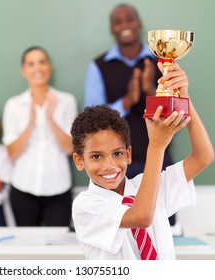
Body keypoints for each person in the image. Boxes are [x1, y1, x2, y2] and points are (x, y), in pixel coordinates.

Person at [71, 62, 214, 259]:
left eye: (118, 154)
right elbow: (141, 217)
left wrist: (184, 97)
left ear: (128, 154)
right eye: (96, 156)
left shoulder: (149, 185)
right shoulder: (85, 206)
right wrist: (156, 145)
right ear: (79, 161)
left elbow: (203, 157)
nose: (109, 165)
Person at [84, 3, 178, 226]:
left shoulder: (163, 63)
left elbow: (175, 115)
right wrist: (127, 100)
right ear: (112, 30)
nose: (125, 25)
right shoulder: (99, 66)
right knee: (124, 230)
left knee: (163, 227)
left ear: (139, 24)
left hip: (159, 159)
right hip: (116, 166)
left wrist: (148, 93)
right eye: (118, 22)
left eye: (129, 19)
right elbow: (92, 121)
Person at [3, 46, 78, 226]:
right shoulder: (14, 105)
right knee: (27, 249)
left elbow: (70, 148)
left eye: (42, 62)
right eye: (31, 64)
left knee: (57, 248)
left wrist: (50, 118)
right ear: (23, 70)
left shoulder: (66, 101)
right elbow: (12, 153)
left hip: (58, 187)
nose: (38, 68)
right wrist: (30, 123)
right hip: (23, 187)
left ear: (49, 66)